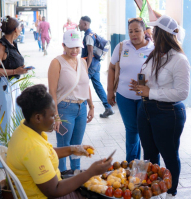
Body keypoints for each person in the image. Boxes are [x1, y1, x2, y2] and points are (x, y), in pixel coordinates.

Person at [7, 84, 112, 199]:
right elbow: (54, 190)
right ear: (38, 118)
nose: (57, 119)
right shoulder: (33, 148)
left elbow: (46, 154)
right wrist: (90, 172)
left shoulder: (25, 129)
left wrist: (73, 149)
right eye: (53, 115)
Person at [130, 15, 190, 199]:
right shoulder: (154, 54)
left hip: (167, 113)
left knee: (169, 154)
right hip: (146, 109)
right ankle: (154, 190)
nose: (151, 33)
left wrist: (151, 92)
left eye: (154, 30)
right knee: (149, 154)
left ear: (162, 33)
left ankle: (171, 192)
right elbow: (150, 81)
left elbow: (182, 93)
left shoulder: (179, 59)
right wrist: (141, 86)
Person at [107, 17, 154, 162]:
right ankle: (132, 164)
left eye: (137, 31)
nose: (133, 34)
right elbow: (112, 67)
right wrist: (110, 91)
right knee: (132, 130)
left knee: (145, 130)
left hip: (145, 98)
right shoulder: (122, 46)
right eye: (130, 31)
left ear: (144, 31)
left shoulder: (153, 48)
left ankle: (148, 164)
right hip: (124, 96)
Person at [48, 30, 95, 174]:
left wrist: (91, 106)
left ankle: (76, 174)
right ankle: (62, 176)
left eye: (77, 47)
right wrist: (55, 116)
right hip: (64, 109)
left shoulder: (82, 62)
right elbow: (52, 92)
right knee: (63, 145)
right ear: (63, 45)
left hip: (82, 108)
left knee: (77, 145)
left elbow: (86, 85)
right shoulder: (57, 63)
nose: (74, 50)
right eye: (70, 47)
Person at [0, 15, 30, 132]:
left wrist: (20, 70)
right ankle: (5, 148)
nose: (21, 29)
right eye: (20, 27)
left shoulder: (12, 44)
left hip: (12, 85)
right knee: (7, 122)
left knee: (16, 118)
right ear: (15, 29)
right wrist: (16, 71)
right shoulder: (1, 46)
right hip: (4, 87)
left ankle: (14, 146)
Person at [79, 16, 114, 118]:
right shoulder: (91, 33)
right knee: (97, 85)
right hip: (96, 64)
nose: (79, 25)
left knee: (82, 85)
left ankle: (82, 110)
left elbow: (90, 54)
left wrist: (86, 69)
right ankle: (108, 108)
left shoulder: (88, 36)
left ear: (85, 24)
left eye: (80, 23)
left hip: (91, 65)